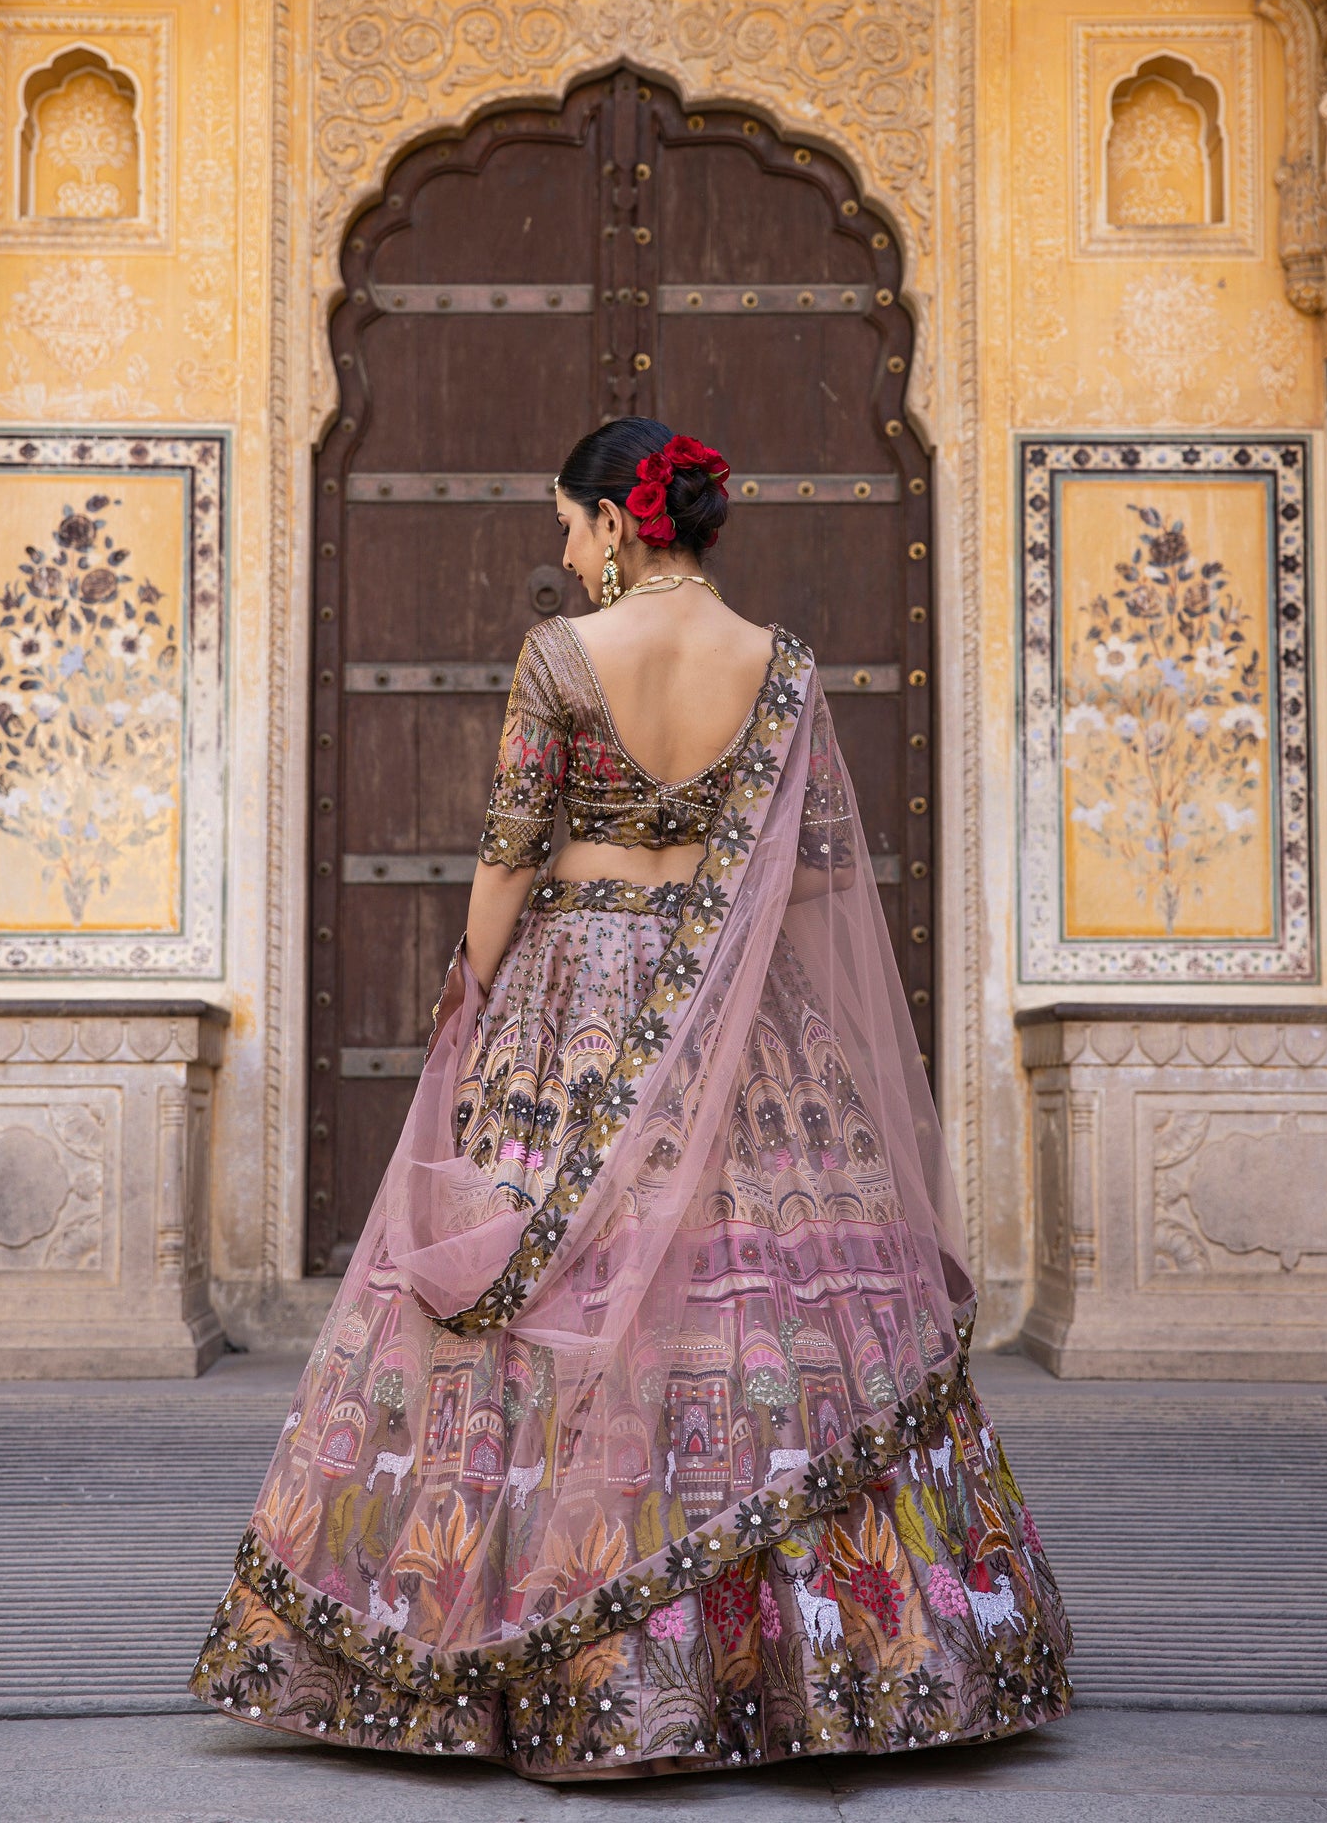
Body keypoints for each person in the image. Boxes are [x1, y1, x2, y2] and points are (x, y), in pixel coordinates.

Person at [191, 417, 1072, 1777]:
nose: (560, 548)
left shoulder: (560, 656)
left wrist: (470, 993)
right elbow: (825, 876)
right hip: (742, 1007)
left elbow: (506, 854)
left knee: (547, 1294)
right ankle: (856, 1655)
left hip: (571, 1005)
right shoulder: (778, 670)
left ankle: (512, 1627)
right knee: (759, 1292)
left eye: (566, 523)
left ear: (615, 524)